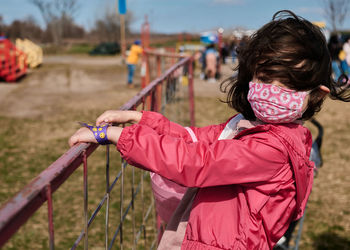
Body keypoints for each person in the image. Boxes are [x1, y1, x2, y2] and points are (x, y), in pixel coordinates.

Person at [69, 10, 350, 249]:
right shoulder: (251, 126)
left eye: (287, 83)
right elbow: (196, 140)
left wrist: (121, 136)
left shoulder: (273, 148)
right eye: (265, 78)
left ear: (316, 95)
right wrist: (143, 120)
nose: (272, 91)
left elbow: (197, 161)